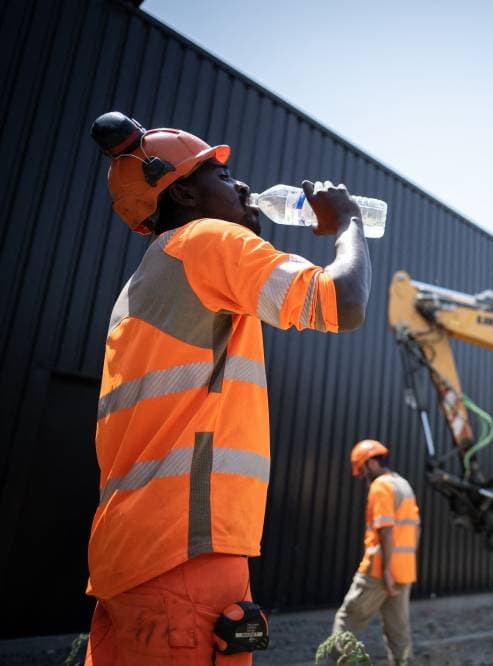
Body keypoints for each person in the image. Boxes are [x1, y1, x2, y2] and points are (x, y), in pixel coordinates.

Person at [84, 112, 372, 664]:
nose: (241, 186)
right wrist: (348, 222)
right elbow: (345, 302)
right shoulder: (207, 240)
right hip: (185, 557)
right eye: (221, 175)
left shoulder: (144, 284)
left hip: (128, 556)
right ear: (184, 194)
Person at [330, 440, 420, 665]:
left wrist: (387, 570)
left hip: (379, 572)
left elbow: (386, 530)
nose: (362, 476)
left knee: (347, 622)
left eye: (362, 470)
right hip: (403, 572)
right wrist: (398, 567)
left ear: (370, 463)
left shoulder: (381, 486)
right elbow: (416, 529)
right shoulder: (404, 485)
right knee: (398, 632)